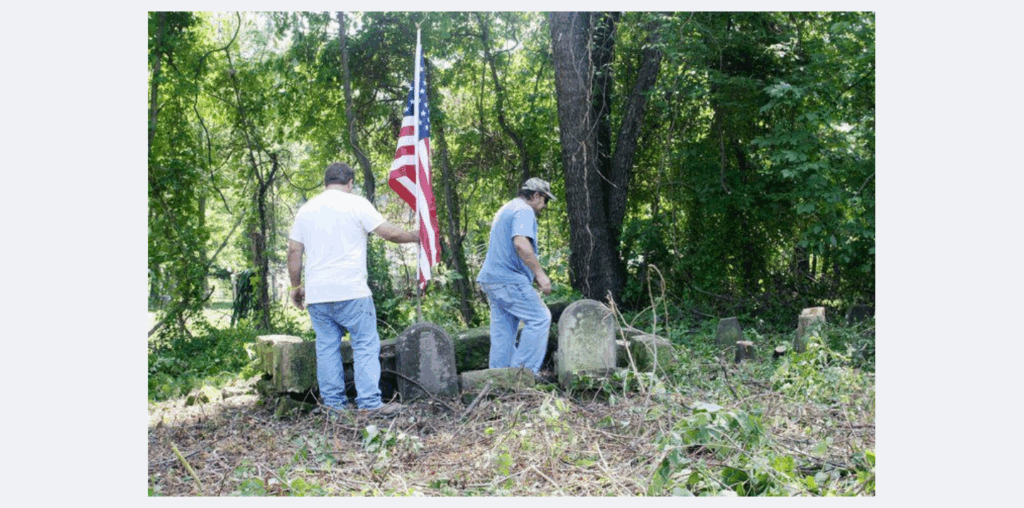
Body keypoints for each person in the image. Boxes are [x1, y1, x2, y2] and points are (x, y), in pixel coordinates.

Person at [287, 162, 418, 417]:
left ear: (325, 183)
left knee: (326, 347)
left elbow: (294, 251)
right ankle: (369, 403)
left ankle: (334, 406)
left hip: (319, 294)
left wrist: (295, 286)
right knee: (365, 345)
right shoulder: (356, 203)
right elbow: (389, 233)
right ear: (349, 183)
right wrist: (416, 235)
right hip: (352, 291)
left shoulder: (306, 209)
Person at [476, 177, 557, 375]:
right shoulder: (524, 211)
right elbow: (521, 243)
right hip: (507, 280)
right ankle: (522, 376)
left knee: (504, 331)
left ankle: (499, 379)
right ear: (537, 195)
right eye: (545, 200)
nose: (544, 206)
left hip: (492, 279)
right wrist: (541, 275)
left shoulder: (508, 208)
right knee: (540, 318)